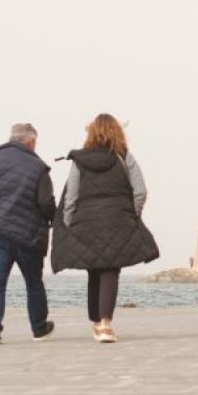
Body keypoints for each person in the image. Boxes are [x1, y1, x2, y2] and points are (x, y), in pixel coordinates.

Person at [51, 114, 159, 342]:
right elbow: (140, 190)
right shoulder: (124, 157)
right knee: (111, 270)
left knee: (94, 268)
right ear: (117, 132)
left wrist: (69, 222)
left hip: (86, 222)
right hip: (118, 220)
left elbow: (71, 195)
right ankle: (105, 324)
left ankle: (97, 322)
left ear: (91, 133)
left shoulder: (80, 161)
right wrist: (133, 213)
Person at [0, 122, 56, 345]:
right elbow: (46, 203)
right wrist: (54, 220)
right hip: (29, 236)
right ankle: (39, 329)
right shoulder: (38, 167)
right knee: (34, 282)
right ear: (30, 141)